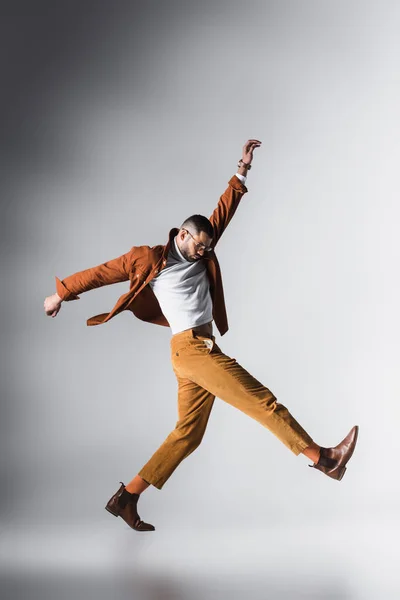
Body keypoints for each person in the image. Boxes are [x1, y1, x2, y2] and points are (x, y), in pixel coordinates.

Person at [44, 139, 358, 532]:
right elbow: (101, 272)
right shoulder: (147, 258)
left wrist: (242, 169)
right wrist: (60, 294)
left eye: (207, 248)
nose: (203, 253)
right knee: (263, 402)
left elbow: (223, 211)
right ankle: (323, 459)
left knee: (187, 436)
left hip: (197, 349)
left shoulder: (203, 248)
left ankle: (127, 497)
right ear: (182, 235)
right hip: (190, 349)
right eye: (198, 246)